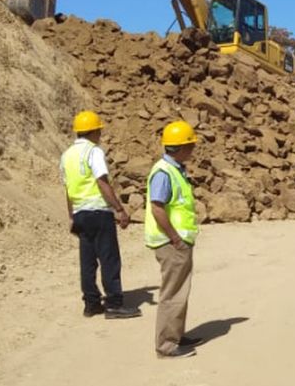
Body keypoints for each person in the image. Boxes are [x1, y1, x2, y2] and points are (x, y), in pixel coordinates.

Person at [60, 110, 139, 319]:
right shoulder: (93, 152)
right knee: (109, 258)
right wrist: (119, 209)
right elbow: (102, 182)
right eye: (99, 131)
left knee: (87, 261)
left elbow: (68, 189)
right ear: (94, 131)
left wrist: (71, 216)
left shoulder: (66, 155)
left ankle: (91, 303)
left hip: (80, 213)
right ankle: (114, 303)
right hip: (98, 212)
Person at [145, 119, 204, 359]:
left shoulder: (174, 169)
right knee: (172, 294)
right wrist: (175, 239)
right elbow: (157, 207)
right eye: (190, 145)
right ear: (179, 147)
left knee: (181, 291)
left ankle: (176, 334)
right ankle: (167, 346)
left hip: (178, 241)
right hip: (171, 243)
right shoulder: (164, 172)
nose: (193, 149)